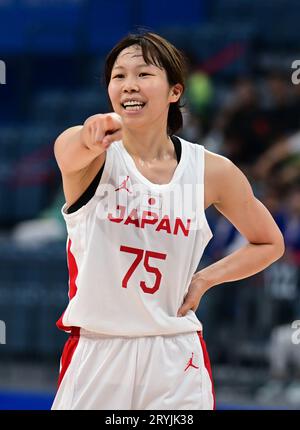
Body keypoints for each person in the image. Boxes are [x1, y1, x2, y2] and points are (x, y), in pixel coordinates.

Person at [51, 31, 285, 410]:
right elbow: (70, 148)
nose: (129, 84)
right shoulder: (92, 156)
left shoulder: (211, 170)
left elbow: (270, 242)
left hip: (176, 355)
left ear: (174, 91)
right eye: (119, 76)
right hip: (100, 352)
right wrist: (90, 135)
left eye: (143, 74)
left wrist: (206, 279)